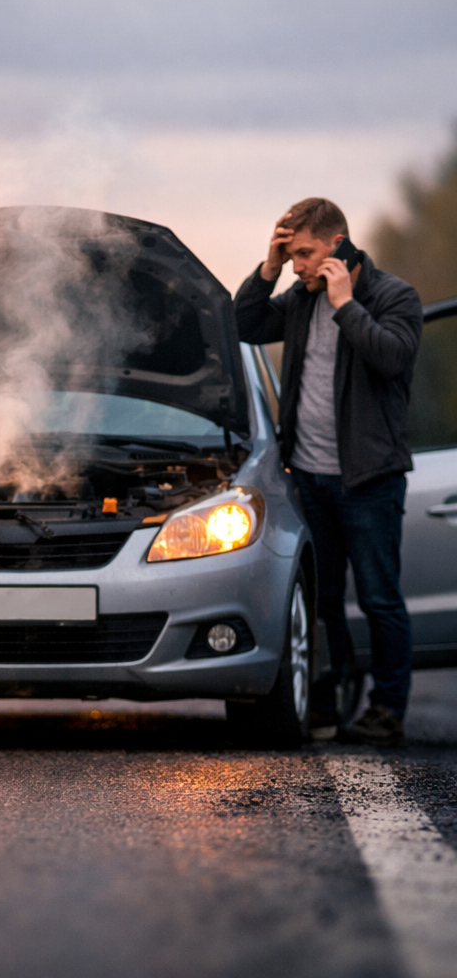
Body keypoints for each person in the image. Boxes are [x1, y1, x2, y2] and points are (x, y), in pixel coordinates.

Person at [235, 197, 422, 746]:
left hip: (368, 482)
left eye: (304, 255)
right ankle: (326, 701)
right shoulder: (297, 297)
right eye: (290, 256)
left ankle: (386, 710)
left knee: (379, 598)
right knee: (321, 602)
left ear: (336, 247)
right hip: (308, 479)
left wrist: (346, 305)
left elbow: (393, 358)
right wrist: (267, 269)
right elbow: (244, 324)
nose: (297, 266)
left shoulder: (393, 296)